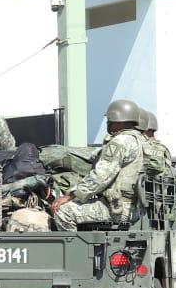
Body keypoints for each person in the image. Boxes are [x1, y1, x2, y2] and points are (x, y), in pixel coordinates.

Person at [49, 99, 148, 231]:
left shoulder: (120, 141)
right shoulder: (142, 141)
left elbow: (100, 176)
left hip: (118, 209)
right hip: (136, 208)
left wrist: (69, 196)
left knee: (62, 211)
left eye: (109, 120)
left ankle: (76, 251)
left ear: (115, 119)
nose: (107, 123)